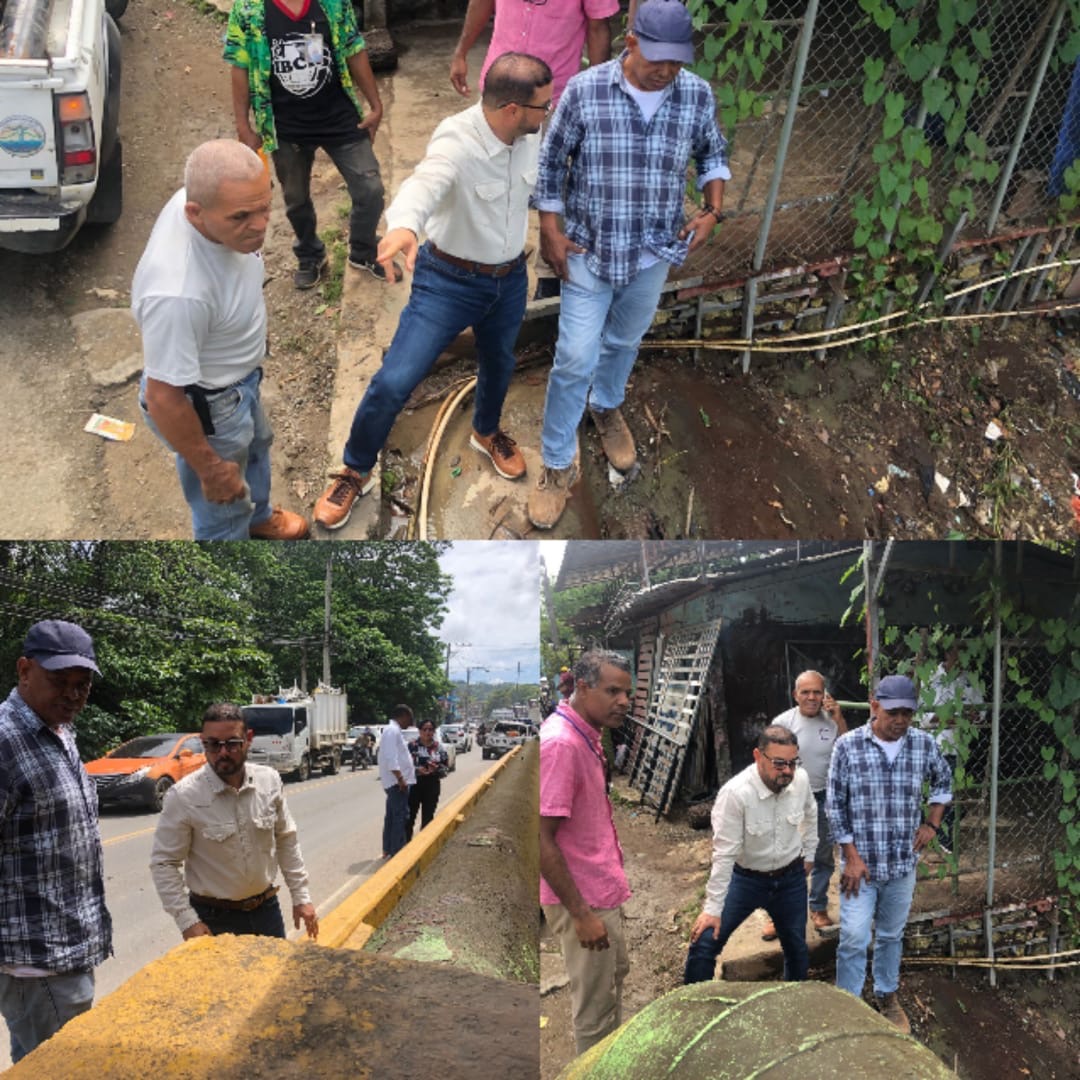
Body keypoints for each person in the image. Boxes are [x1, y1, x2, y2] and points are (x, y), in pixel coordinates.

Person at [313, 52, 554, 530]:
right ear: (511, 109)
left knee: (500, 361)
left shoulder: (529, 133)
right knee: (396, 380)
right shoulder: (457, 140)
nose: (549, 113)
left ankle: (486, 432)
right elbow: (425, 183)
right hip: (449, 281)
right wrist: (403, 227)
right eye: (542, 106)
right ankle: (355, 469)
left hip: (507, 279)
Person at [527, 0, 731, 529]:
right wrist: (549, 230)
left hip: (654, 251)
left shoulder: (695, 95)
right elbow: (550, 163)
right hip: (590, 250)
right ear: (631, 41)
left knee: (623, 341)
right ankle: (554, 463)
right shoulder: (586, 90)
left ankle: (606, 406)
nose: (667, 69)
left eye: (677, 59)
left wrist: (713, 209)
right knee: (573, 355)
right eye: (657, 55)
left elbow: (713, 153)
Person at [133, 139, 310, 542]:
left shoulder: (209, 196)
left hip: (240, 383)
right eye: (242, 217)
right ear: (195, 213)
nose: (262, 225)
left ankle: (259, 517)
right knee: (222, 503)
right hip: (209, 405)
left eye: (266, 206)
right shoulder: (177, 292)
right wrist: (209, 467)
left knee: (257, 444)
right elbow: (163, 398)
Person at [0, 621, 112, 1064]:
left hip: (67, 951)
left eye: (81, 685)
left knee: (45, 1065)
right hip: (36, 961)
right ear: (24, 670)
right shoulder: (6, 742)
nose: (72, 694)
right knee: (62, 1069)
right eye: (59, 682)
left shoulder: (60, 732)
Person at [225, 0, 394, 289]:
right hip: (285, 127)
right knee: (296, 199)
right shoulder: (248, 9)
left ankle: (363, 249)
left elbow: (354, 48)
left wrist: (375, 105)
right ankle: (310, 253)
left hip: (340, 118)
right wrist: (243, 124)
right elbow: (239, 65)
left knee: (371, 188)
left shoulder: (333, 4)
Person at [827, 674, 953, 1033]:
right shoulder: (848, 747)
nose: (900, 720)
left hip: (901, 863)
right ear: (875, 705)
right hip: (860, 866)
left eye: (907, 713)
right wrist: (850, 855)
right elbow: (835, 806)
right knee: (853, 936)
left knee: (890, 935)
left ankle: (886, 995)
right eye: (893, 711)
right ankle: (849, 1006)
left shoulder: (923, 745)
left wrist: (931, 824)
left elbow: (944, 782)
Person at [149, 702, 319, 942]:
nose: (222, 752)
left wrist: (301, 897)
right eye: (213, 744)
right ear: (203, 742)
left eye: (232, 743)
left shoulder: (268, 781)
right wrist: (188, 921)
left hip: (266, 912)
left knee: (275, 979)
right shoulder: (183, 796)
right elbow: (164, 863)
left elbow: (286, 839)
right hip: (213, 920)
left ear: (248, 738)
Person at [540, 650, 632, 1055]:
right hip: (583, 901)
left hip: (600, 892)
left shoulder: (585, 735)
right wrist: (579, 913)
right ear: (582, 687)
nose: (624, 702)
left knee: (613, 982)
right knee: (594, 1012)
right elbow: (540, 838)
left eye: (627, 693)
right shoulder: (561, 745)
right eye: (613, 691)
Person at [683, 726, 816, 985]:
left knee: (797, 948)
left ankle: (795, 1006)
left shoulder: (800, 780)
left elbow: (811, 814)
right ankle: (692, 1011)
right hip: (745, 879)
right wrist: (712, 909)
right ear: (758, 756)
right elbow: (724, 854)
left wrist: (809, 854)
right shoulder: (735, 794)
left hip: (790, 878)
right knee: (705, 943)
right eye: (779, 763)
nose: (787, 771)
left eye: (792, 762)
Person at [770, 670, 846, 938]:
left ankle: (818, 907)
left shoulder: (832, 720)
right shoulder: (783, 723)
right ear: (795, 695)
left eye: (817, 692)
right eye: (806, 692)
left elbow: (847, 749)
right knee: (784, 853)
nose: (812, 697)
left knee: (823, 855)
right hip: (790, 796)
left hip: (824, 797)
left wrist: (838, 717)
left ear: (824, 694)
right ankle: (778, 913)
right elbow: (770, 762)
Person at [450, 0, 617, 108]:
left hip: (550, 98)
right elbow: (480, 4)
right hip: (497, 88)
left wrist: (598, 90)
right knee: (490, 157)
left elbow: (598, 29)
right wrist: (460, 53)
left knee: (542, 160)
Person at [919, 644, 983, 853]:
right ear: (947, 653)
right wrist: (957, 716)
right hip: (930, 746)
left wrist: (947, 717)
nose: (963, 656)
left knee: (951, 796)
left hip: (958, 747)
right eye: (959, 651)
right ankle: (933, 838)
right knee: (930, 794)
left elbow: (980, 714)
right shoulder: (929, 678)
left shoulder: (970, 681)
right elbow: (923, 717)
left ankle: (942, 838)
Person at [378, 704, 417, 858]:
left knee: (392, 817)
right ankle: (396, 852)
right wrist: (401, 779)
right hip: (396, 783)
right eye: (410, 718)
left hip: (396, 782)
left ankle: (388, 848)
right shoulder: (392, 731)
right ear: (404, 715)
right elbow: (391, 758)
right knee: (400, 817)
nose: (410, 722)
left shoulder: (393, 731)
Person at [406, 721, 450, 841]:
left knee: (428, 818)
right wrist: (417, 770)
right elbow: (403, 767)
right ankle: (405, 847)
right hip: (414, 785)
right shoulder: (411, 746)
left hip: (432, 785)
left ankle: (423, 844)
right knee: (409, 818)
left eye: (430, 729)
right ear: (419, 731)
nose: (427, 732)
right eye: (424, 729)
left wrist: (436, 769)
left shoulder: (439, 748)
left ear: (433, 731)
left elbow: (446, 769)